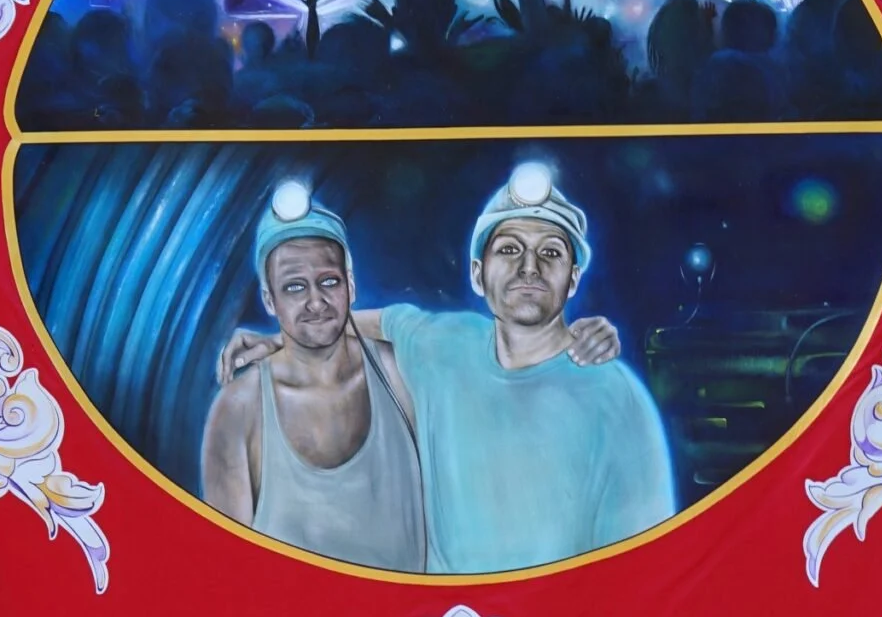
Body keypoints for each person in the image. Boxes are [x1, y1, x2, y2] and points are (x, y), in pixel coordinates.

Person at [218, 164, 673, 571]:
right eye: (510, 250)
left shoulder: (615, 396)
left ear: (573, 278)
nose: (529, 267)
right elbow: (354, 320)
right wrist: (281, 335)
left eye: (551, 253)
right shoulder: (444, 345)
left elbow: (643, 567)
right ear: (478, 274)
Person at [201, 183, 426, 570]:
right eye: (294, 287)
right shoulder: (239, 409)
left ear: (351, 286)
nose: (316, 301)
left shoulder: (399, 372)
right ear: (269, 300)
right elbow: (228, 568)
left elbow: (482, 346)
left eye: (329, 281)